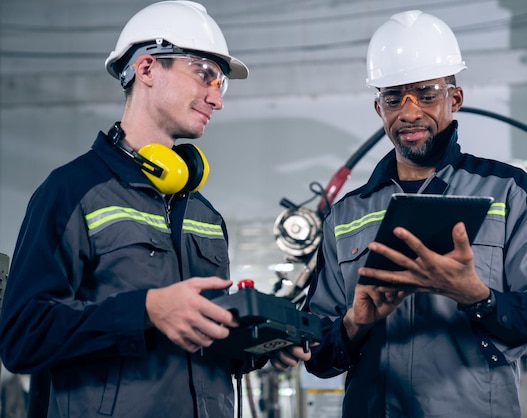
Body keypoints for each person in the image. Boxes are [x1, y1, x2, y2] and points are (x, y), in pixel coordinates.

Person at [0, 2, 309, 417]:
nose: (216, 99)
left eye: (222, 85)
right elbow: (23, 337)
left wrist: (260, 343)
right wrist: (145, 310)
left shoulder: (205, 214)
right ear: (146, 69)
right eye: (204, 75)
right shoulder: (71, 191)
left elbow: (205, 349)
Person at [304, 10, 527, 418]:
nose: (409, 113)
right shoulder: (345, 215)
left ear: (455, 98)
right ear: (379, 108)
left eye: (426, 94)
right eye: (394, 98)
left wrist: (478, 298)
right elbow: (317, 353)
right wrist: (354, 323)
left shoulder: (511, 192)